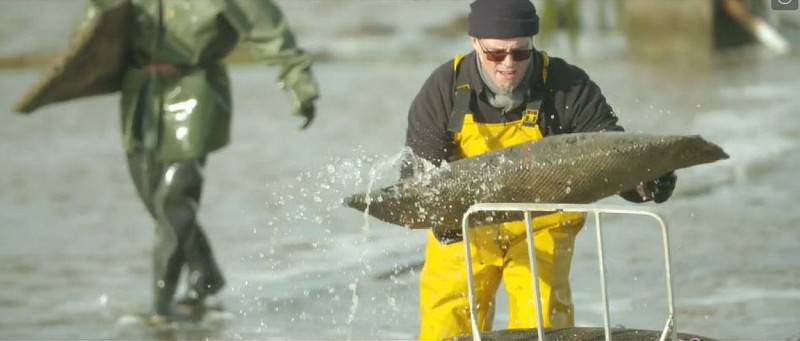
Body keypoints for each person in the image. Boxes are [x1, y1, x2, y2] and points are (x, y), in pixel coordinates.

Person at [401, 0, 676, 339]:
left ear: (533, 42)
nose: (508, 64)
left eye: (520, 53)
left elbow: (609, 154)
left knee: (540, 315)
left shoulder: (568, 86)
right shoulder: (443, 88)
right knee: (445, 321)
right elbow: (417, 178)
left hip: (542, 222)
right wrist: (432, 215)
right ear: (475, 42)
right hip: (465, 224)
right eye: (496, 53)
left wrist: (647, 182)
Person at [75, 0, 319, 324]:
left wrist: (300, 84)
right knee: (152, 197)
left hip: (195, 87)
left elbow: (269, 29)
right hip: (140, 93)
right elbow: (94, 33)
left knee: (175, 199)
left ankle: (161, 307)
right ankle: (205, 275)